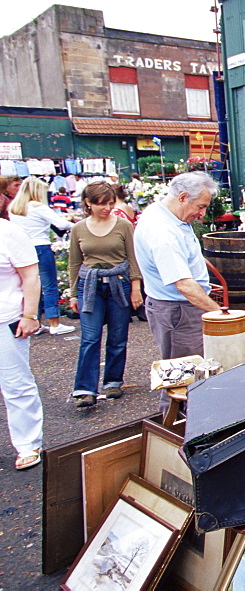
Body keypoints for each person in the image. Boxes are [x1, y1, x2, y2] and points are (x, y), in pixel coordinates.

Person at [68, 182, 143, 408]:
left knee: (118, 336)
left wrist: (136, 288)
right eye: (101, 203)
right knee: (90, 337)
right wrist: (73, 294)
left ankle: (112, 381)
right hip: (89, 285)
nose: (107, 208)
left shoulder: (123, 225)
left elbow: (132, 257)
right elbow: (74, 262)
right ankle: (85, 388)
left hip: (118, 283)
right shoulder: (78, 228)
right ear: (88, 203)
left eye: (110, 203)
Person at [134, 171, 221, 367]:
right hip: (178, 311)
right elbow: (183, 285)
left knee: (190, 370)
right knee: (184, 375)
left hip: (179, 308)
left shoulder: (170, 215)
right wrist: (220, 314)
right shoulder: (163, 232)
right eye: (201, 206)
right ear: (182, 197)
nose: (202, 214)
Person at [0, 217, 44, 470]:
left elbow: (30, 276)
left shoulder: (10, 232)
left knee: (15, 383)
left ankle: (28, 444)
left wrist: (29, 315)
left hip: (7, 318)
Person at [9, 176, 75, 334]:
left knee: (30, 285)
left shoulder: (15, 207)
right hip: (41, 247)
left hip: (22, 248)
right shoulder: (37, 206)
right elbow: (62, 224)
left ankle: (35, 321)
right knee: (50, 286)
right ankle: (54, 323)